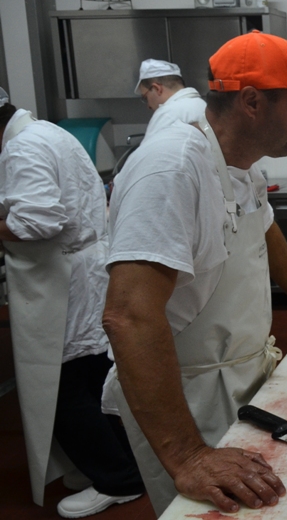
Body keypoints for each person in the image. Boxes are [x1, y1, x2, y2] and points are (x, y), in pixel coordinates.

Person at [102, 31, 287, 516]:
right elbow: (129, 317)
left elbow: (263, 229)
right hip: (186, 396)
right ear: (250, 102)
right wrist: (188, 456)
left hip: (240, 377)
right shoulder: (172, 168)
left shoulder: (241, 164)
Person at [0, 88, 145, 517]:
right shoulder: (47, 132)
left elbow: (37, 222)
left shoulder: (22, 149)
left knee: (61, 387)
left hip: (64, 280)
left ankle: (117, 479)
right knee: (93, 377)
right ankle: (122, 465)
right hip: (84, 269)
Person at [135, 59, 207, 137]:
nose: (148, 106)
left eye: (145, 97)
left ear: (157, 89)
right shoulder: (203, 105)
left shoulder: (166, 116)